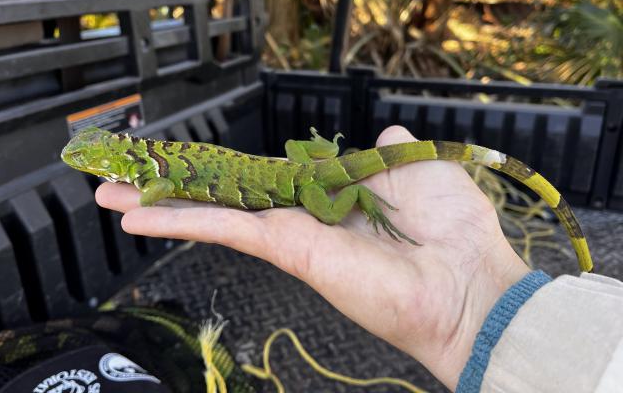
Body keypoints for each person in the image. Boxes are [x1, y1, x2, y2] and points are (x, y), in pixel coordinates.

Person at [96, 125, 623, 392]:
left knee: (328, 214)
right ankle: (340, 166)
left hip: (309, 188)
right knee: (293, 148)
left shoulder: (151, 172)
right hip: (308, 167)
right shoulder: (145, 157)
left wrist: (143, 190)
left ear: (114, 158)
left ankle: (360, 194)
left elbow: (155, 189)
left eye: (93, 161)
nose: (86, 164)